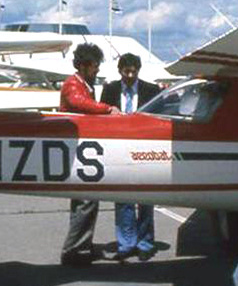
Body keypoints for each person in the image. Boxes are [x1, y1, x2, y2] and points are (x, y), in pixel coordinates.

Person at [60, 43, 121, 266]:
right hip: (75, 151)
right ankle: (73, 251)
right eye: (95, 66)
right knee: (86, 199)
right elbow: (78, 102)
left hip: (81, 149)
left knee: (87, 201)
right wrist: (107, 109)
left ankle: (82, 246)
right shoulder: (73, 85)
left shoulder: (84, 84)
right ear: (84, 65)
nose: (97, 70)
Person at [101, 53, 162, 261]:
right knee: (122, 199)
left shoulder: (151, 90)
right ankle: (126, 243)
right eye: (126, 71)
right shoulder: (110, 90)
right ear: (120, 71)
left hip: (145, 150)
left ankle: (145, 243)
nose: (130, 75)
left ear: (138, 70)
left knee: (146, 199)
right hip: (118, 150)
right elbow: (100, 120)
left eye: (133, 71)